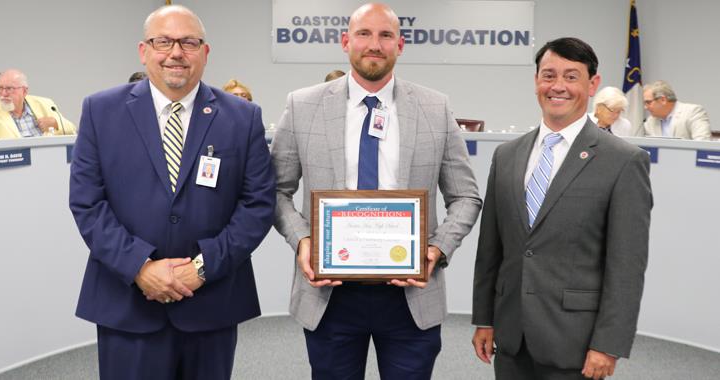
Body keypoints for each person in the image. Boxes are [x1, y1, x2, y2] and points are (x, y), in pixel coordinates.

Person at [271, 3, 482, 379]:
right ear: (345, 41)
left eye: (385, 35)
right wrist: (303, 240)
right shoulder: (301, 105)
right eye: (364, 34)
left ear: (400, 45)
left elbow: (466, 195)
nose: (374, 44)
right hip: (329, 293)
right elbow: (276, 191)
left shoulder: (436, 107)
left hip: (411, 292)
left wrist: (436, 249)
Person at [69, 5, 276, 379]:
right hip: (128, 304)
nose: (176, 52)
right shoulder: (101, 110)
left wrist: (201, 268)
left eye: (189, 42)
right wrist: (140, 267)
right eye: (163, 41)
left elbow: (257, 204)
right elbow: (88, 202)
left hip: (211, 302)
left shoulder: (243, 118)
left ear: (205, 52)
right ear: (143, 50)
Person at [471, 37, 652, 380]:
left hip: (577, 344)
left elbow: (626, 265)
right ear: (536, 81)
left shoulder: (624, 161)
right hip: (511, 337)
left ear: (592, 84)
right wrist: (485, 317)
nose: (558, 86)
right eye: (548, 75)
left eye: (571, 76)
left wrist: (608, 344)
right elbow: (491, 248)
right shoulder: (507, 156)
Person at [0, 69, 76, 138]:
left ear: (24, 91)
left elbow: (72, 130)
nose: (3, 94)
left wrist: (55, 123)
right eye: (0, 88)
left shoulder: (45, 104)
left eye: (9, 88)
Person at [643, 80, 711, 140]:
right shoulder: (650, 121)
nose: (645, 107)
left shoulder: (693, 112)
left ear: (663, 100)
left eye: (648, 102)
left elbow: (702, 141)